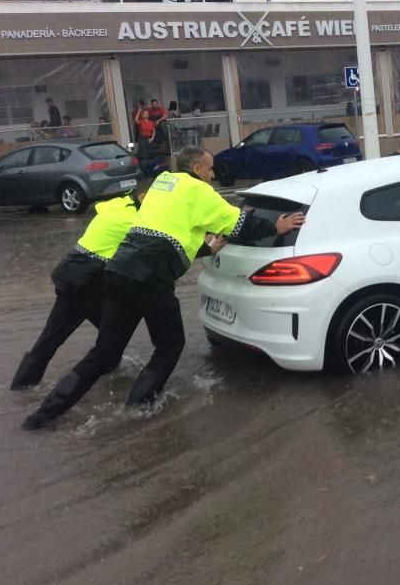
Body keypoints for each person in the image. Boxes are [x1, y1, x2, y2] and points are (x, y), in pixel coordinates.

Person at [21, 146, 306, 430]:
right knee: (170, 344)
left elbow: (172, 230)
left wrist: (208, 246)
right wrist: (275, 228)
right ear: (196, 170)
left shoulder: (162, 182)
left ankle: (43, 415)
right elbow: (239, 226)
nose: (213, 174)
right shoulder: (200, 192)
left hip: (118, 271)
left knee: (103, 353)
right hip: (152, 275)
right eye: (209, 168)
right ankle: (140, 407)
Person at [10, 178, 153, 390]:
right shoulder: (134, 220)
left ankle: (21, 389)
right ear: (143, 197)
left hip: (69, 276)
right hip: (87, 283)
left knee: (50, 339)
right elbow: (158, 244)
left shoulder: (118, 206)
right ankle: (79, 386)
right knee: (111, 339)